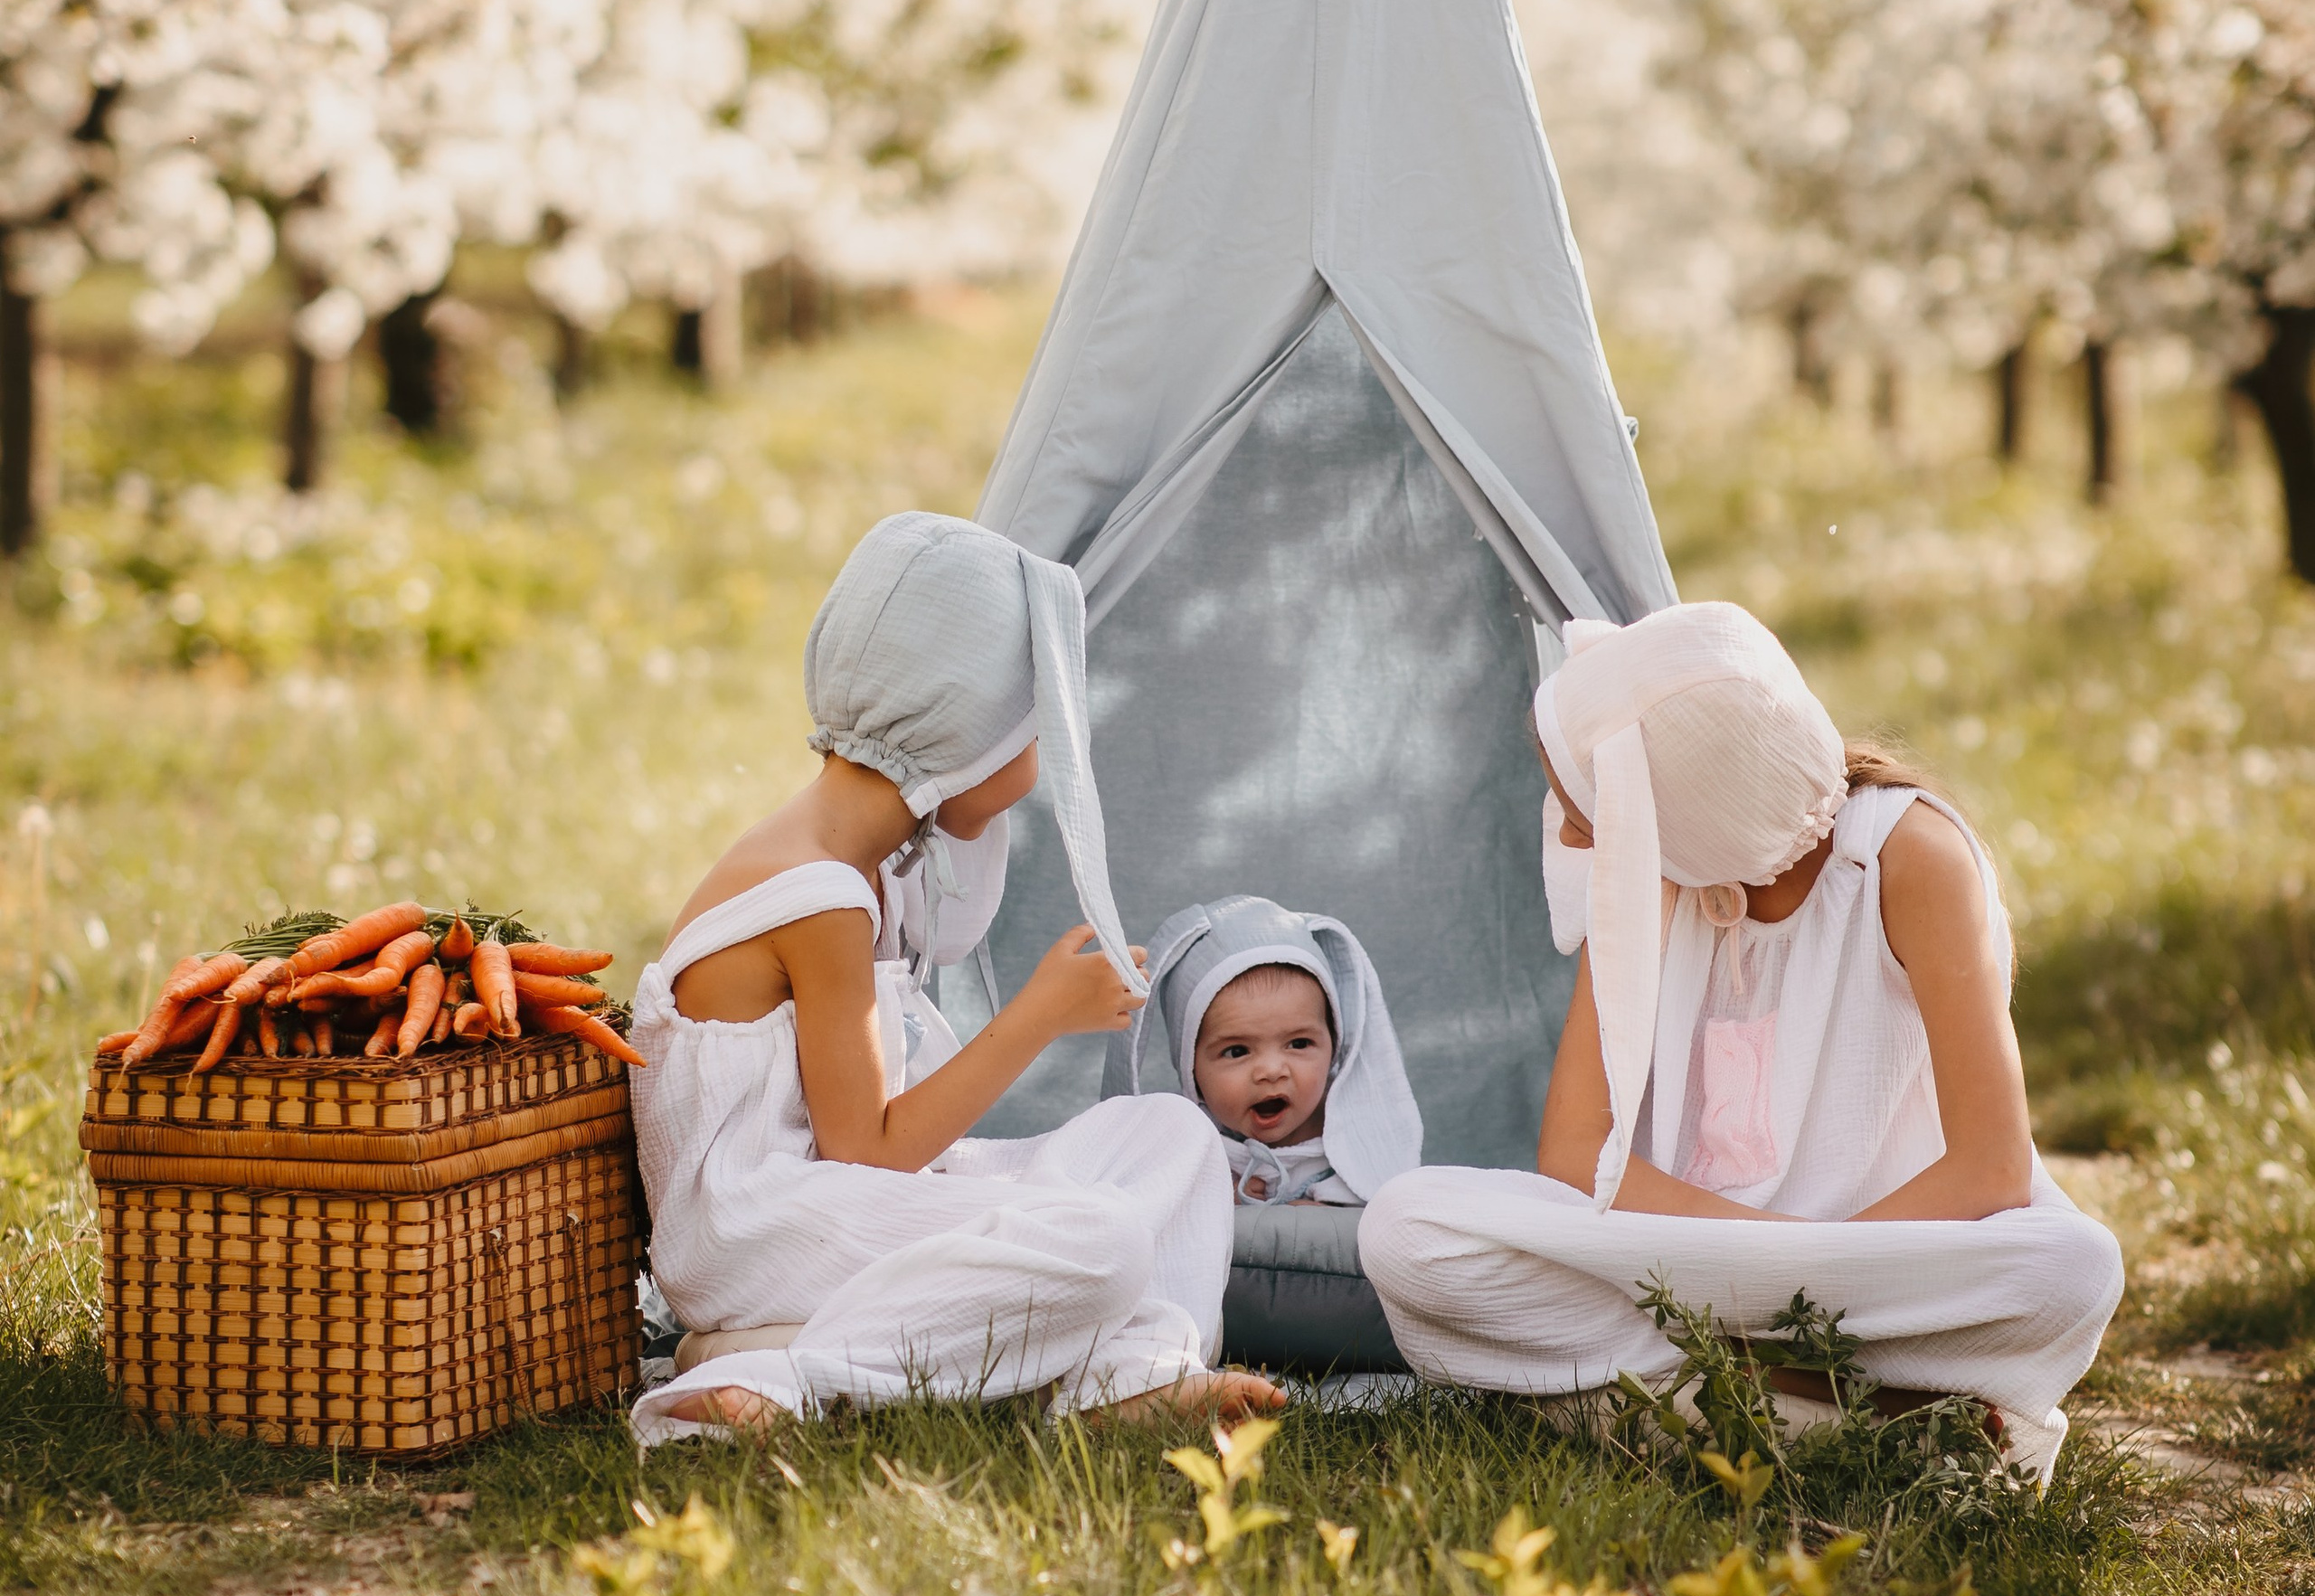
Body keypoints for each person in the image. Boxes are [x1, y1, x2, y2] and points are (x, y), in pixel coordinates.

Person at [1358, 603, 2122, 1481]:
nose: (1570, 835)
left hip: (1877, 1269)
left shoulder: (1908, 858)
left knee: (2074, 1266)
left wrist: (1782, 1279)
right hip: (1691, 1267)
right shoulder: (1652, 876)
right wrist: (1751, 1269)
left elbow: (1991, 1170)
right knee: (1406, 1228)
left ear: (1685, 803)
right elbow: (1576, 1157)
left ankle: (1684, 1397)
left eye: (1587, 811)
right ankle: (1870, 1423)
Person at [631, 510, 1282, 1440]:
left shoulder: (856, 858)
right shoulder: (818, 897)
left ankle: (1118, 1373)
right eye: (1024, 732)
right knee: (1101, 1240)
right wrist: (1037, 1017)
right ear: (957, 737)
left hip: (837, 1207)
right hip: (757, 1240)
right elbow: (869, 1151)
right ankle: (781, 1370)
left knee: (1168, 1137)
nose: (1035, 759)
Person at [1120, 896, 1422, 1208]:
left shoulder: (1362, 1138)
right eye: (1237, 1051)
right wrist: (1207, 1200)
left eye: (1299, 1044)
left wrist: (1337, 1216)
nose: (1272, 1070)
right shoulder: (1180, 1146)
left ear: (1333, 1048)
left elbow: (1396, 1221)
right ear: (1190, 1069)